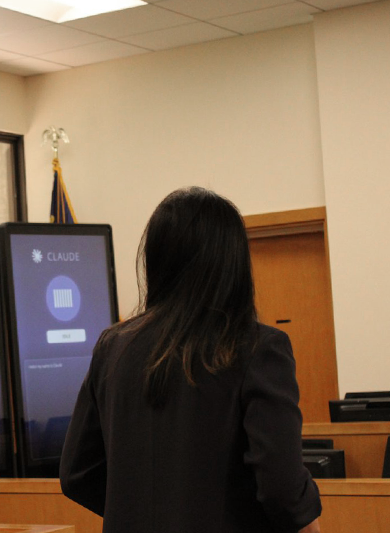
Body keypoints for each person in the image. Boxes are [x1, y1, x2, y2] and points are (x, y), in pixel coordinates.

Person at [60, 187, 322, 533]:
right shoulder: (258, 348)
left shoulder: (113, 347)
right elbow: (281, 488)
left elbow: (77, 474)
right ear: (234, 262)